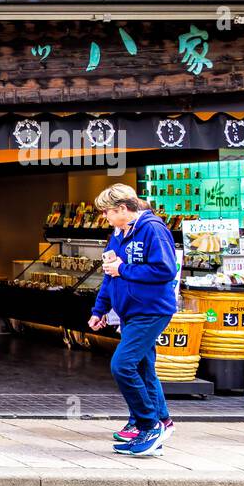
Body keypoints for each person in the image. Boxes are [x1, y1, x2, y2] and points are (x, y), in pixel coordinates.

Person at [89, 183, 179, 458]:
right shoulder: (119, 233)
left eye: (108, 212)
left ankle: (147, 424)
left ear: (124, 209)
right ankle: (161, 422)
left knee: (122, 365)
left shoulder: (152, 229)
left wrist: (123, 269)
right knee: (143, 367)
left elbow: (165, 269)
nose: (105, 217)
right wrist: (99, 309)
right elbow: (109, 272)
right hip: (130, 311)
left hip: (151, 309)